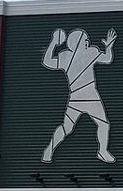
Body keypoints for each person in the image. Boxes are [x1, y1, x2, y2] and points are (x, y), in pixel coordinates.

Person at [41, 27, 118, 163]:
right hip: (84, 96)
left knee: (74, 127)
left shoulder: (72, 55)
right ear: (77, 42)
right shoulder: (81, 54)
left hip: (83, 96)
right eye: (85, 40)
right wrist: (53, 42)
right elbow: (107, 58)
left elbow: (48, 61)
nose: (87, 42)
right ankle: (102, 151)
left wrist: (109, 47)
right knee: (100, 124)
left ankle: (50, 151)